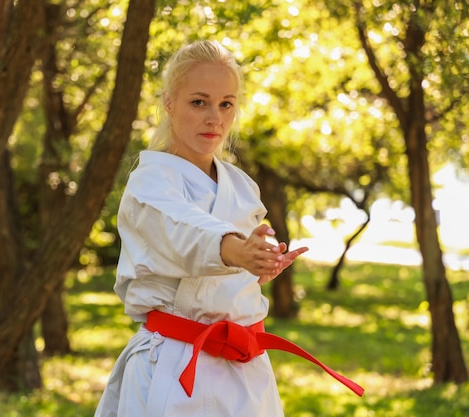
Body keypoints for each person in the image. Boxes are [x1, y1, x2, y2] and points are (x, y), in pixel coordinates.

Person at [94, 40, 363, 417]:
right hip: (174, 365)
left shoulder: (241, 186)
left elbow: (225, 282)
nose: (214, 118)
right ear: (169, 103)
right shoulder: (151, 183)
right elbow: (183, 229)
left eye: (226, 104)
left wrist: (260, 266)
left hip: (244, 370)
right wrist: (235, 250)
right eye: (199, 102)